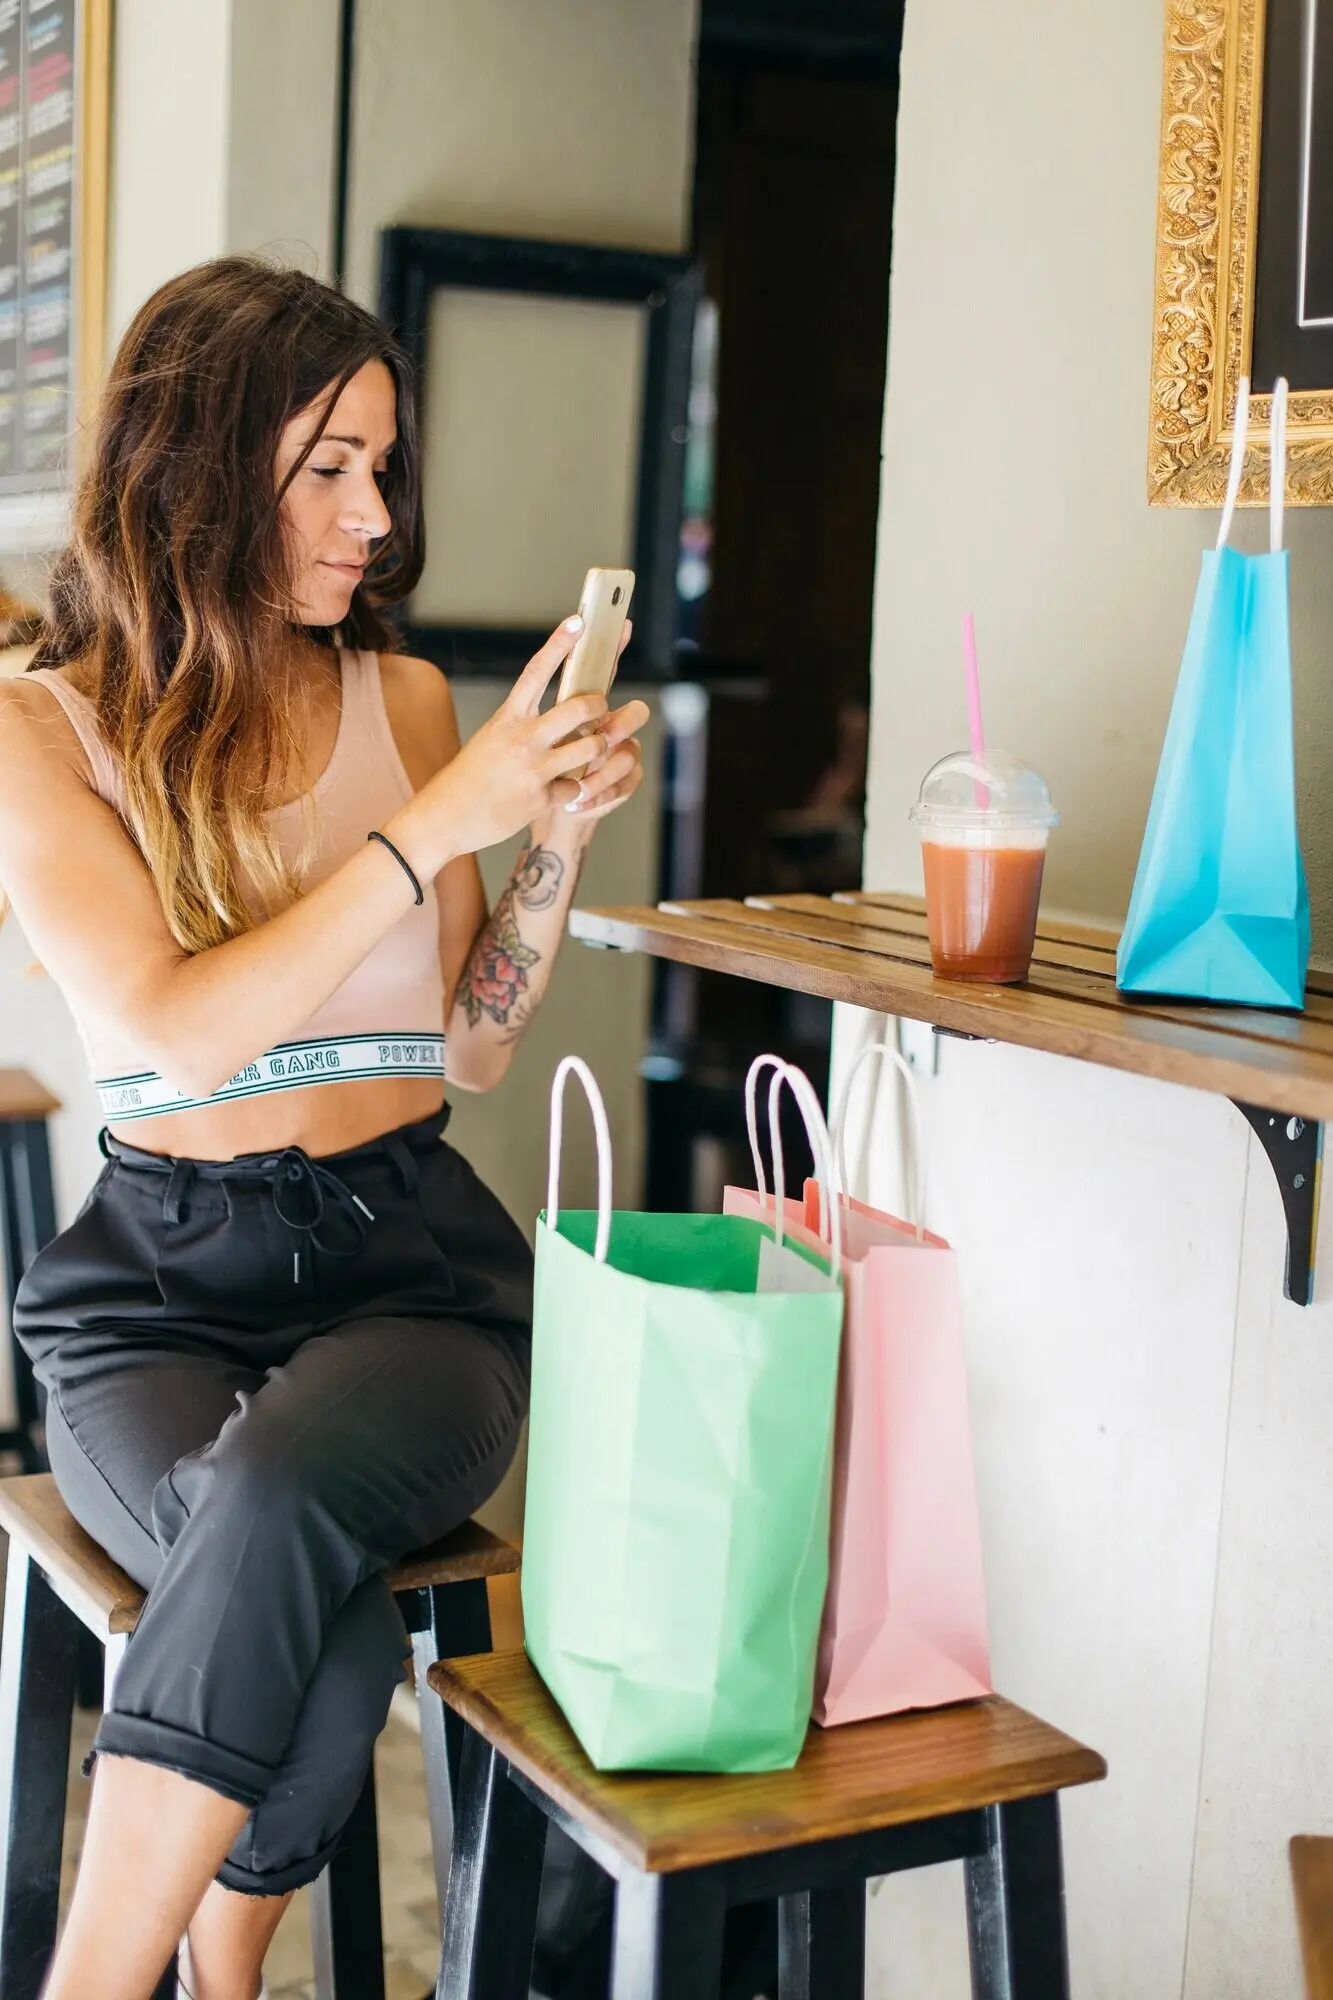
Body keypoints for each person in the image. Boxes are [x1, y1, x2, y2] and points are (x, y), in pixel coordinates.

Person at [0, 256, 648, 2000]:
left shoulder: (412, 703)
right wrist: (433, 825)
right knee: (328, 1617)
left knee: (280, 1490)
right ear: (201, 472)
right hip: (157, 1287)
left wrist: (549, 841)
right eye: (328, 469)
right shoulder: (40, 732)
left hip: (406, 1281)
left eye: (385, 466)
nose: (374, 514)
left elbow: (474, 1048)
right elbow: (162, 1024)